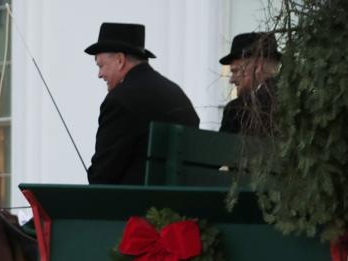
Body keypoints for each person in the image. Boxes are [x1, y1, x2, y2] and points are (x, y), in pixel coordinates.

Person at [85, 22, 200, 185]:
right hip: (182, 206)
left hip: (135, 206)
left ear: (120, 60)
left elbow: (101, 176)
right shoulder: (176, 93)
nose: (99, 74)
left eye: (101, 65)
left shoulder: (119, 100)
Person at [219, 32, 280, 136]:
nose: (231, 80)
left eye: (236, 71)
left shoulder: (238, 111)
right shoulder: (298, 101)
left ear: (257, 67)